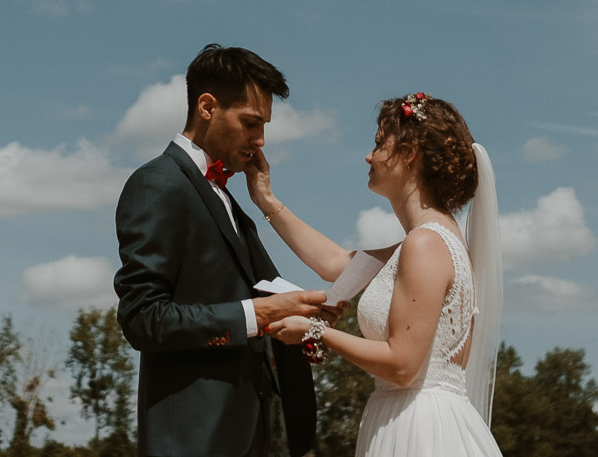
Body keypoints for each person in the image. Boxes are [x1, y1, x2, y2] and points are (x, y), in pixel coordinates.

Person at [249, 92, 504, 457]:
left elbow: (402, 366)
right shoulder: (428, 241)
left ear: (410, 152)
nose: (369, 156)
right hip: (413, 417)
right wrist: (265, 199)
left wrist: (315, 331)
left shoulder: (425, 244)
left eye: (379, 143)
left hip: (420, 430)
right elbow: (335, 263)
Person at [114, 45, 337, 457]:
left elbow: (263, 295)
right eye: (251, 123)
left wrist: (301, 316)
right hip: (192, 442)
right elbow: (142, 318)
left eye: (264, 126)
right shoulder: (158, 184)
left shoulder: (232, 203)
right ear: (207, 106)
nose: (261, 140)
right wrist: (261, 313)